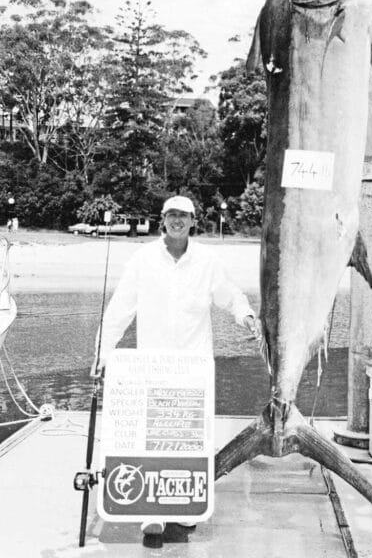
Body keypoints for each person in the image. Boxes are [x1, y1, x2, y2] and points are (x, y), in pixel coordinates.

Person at [95, 195, 261, 537]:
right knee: (152, 433)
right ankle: (150, 511)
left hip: (193, 369)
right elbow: (119, 310)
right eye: (171, 215)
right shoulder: (142, 259)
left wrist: (246, 316)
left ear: (193, 221)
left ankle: (186, 506)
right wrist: (101, 354)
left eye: (183, 216)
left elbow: (229, 295)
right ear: (162, 219)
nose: (177, 221)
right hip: (152, 368)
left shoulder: (208, 260)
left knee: (190, 436)